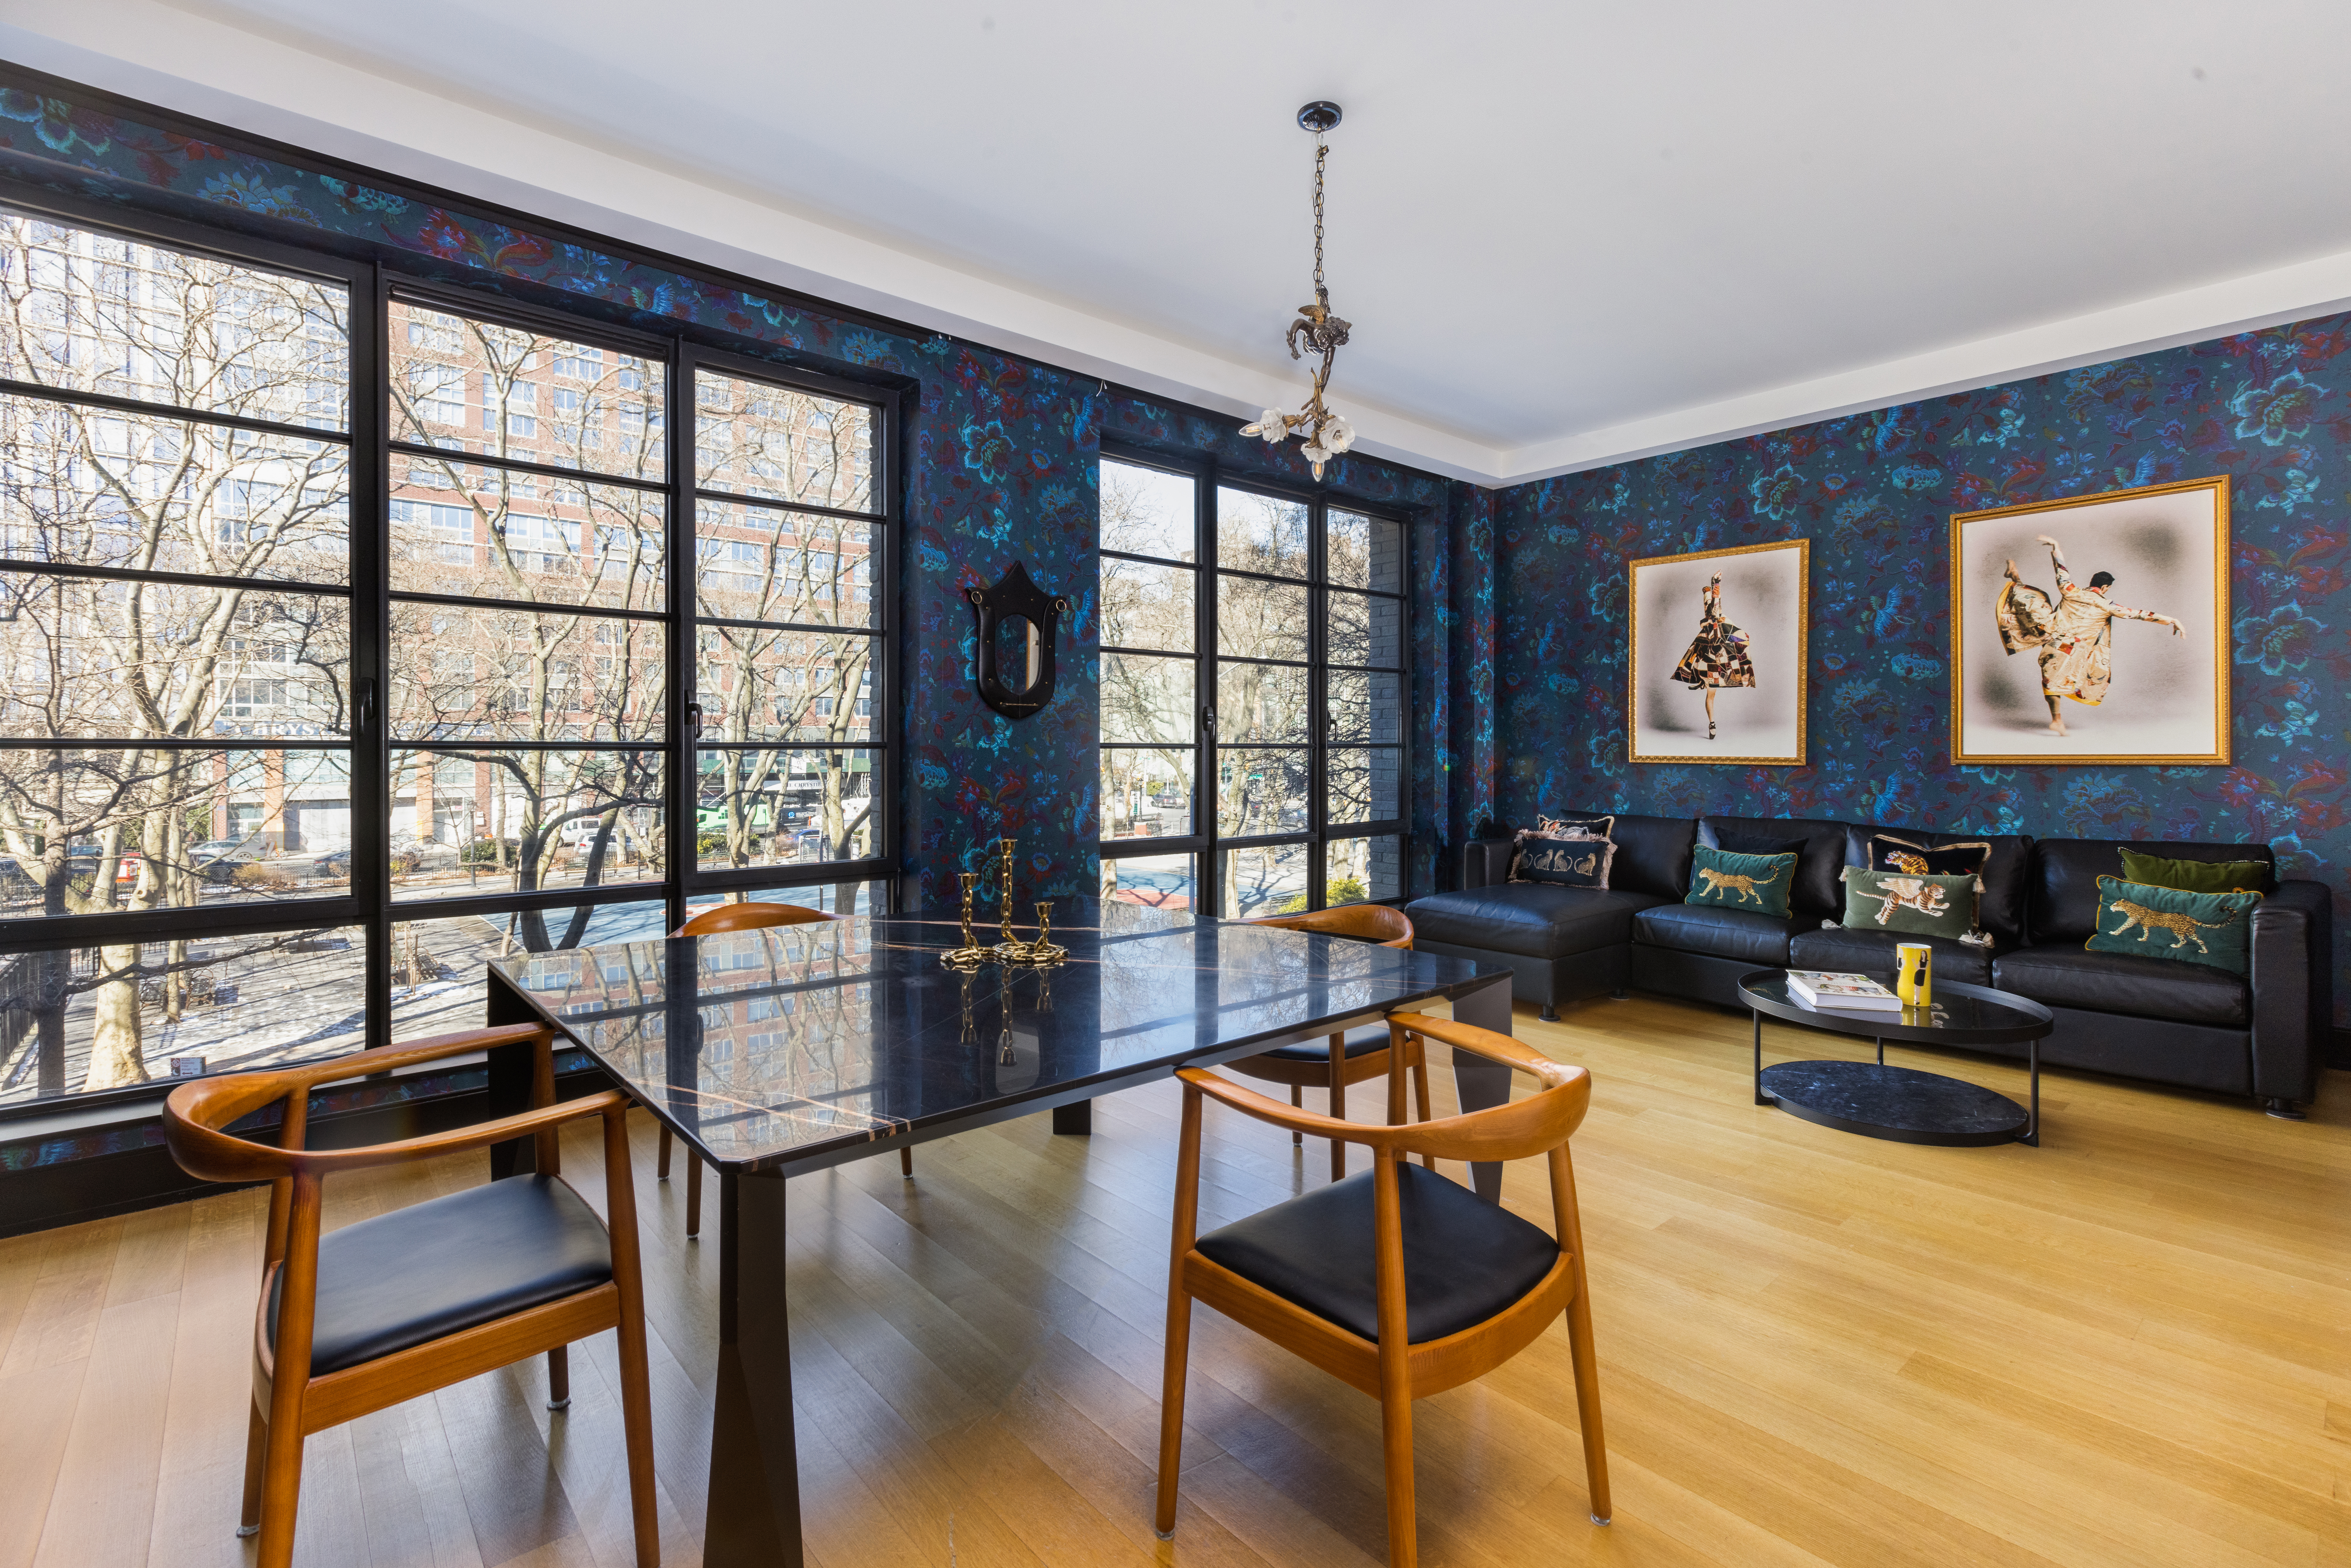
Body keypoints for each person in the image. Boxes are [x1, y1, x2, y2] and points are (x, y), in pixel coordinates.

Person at [1995, 533, 2184, 736]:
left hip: (2054, 641)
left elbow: (2062, 571)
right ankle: (2057, 721)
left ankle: (2017, 579)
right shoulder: (2108, 605)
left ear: (2092, 582)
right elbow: (2139, 614)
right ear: (2105, 588)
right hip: (2073, 649)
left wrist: (2056, 547)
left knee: (2034, 607)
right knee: (2058, 681)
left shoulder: (2071, 591)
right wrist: (2171, 620)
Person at [1670, 571, 1755, 739]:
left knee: (1711, 694)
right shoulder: (1711, 624)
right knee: (1712, 614)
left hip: (1717, 661)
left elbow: (1715, 606)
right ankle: (1712, 721)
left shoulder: (1719, 622)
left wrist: (1714, 588)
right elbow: (1714, 607)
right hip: (1712, 661)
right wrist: (1714, 587)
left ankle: (1710, 715)